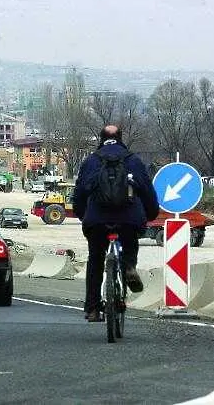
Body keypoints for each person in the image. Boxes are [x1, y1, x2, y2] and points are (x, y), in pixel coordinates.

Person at [73, 125, 159, 322]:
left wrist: (83, 216)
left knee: (95, 261)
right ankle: (129, 266)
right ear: (120, 139)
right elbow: (147, 191)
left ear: (100, 139)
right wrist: (151, 214)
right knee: (130, 244)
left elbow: (79, 194)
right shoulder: (133, 161)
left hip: (97, 220)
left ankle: (93, 309)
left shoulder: (91, 161)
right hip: (128, 219)